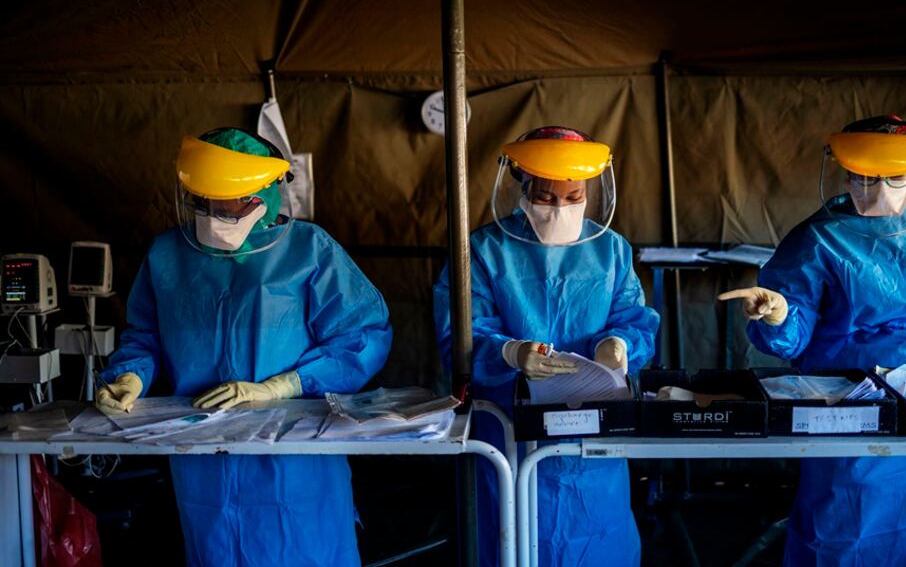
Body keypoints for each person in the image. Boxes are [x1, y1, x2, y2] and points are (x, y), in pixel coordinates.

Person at [720, 114, 906, 566]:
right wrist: (780, 314)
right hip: (851, 399)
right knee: (849, 521)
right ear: (845, 173)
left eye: (893, 178)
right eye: (864, 179)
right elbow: (795, 329)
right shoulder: (819, 237)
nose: (877, 191)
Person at [95, 128, 393, 567]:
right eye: (204, 200)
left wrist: (283, 386)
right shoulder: (167, 254)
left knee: (299, 548)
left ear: (268, 195)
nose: (215, 213)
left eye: (231, 202)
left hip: (291, 452)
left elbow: (363, 335)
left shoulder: (308, 249)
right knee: (216, 549)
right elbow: (145, 334)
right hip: (201, 453)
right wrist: (130, 375)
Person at [434, 126, 658, 566]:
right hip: (509, 429)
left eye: (573, 198)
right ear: (523, 186)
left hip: (593, 428)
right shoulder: (483, 251)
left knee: (594, 538)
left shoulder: (610, 250)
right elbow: (458, 334)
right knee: (510, 538)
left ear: (590, 191)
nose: (560, 210)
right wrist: (508, 353)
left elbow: (633, 319)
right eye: (547, 198)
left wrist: (618, 345)